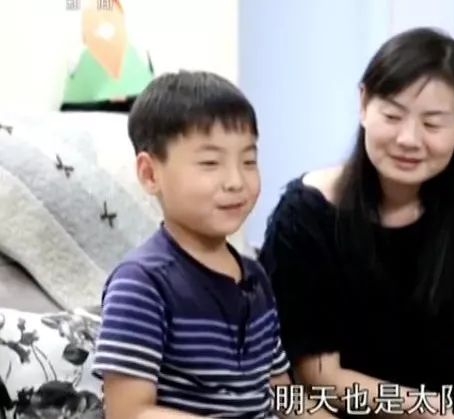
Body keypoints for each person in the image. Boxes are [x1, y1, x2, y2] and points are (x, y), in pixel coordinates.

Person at [259, 28, 454, 418]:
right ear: (363, 104)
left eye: (432, 124)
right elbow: (319, 377)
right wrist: (433, 413)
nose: (408, 139)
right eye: (392, 116)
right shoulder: (305, 218)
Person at [90, 71, 334, 419]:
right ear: (150, 174)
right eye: (210, 163)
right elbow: (130, 412)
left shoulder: (255, 278)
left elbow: (280, 393)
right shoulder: (141, 284)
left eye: (248, 161)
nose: (236, 181)